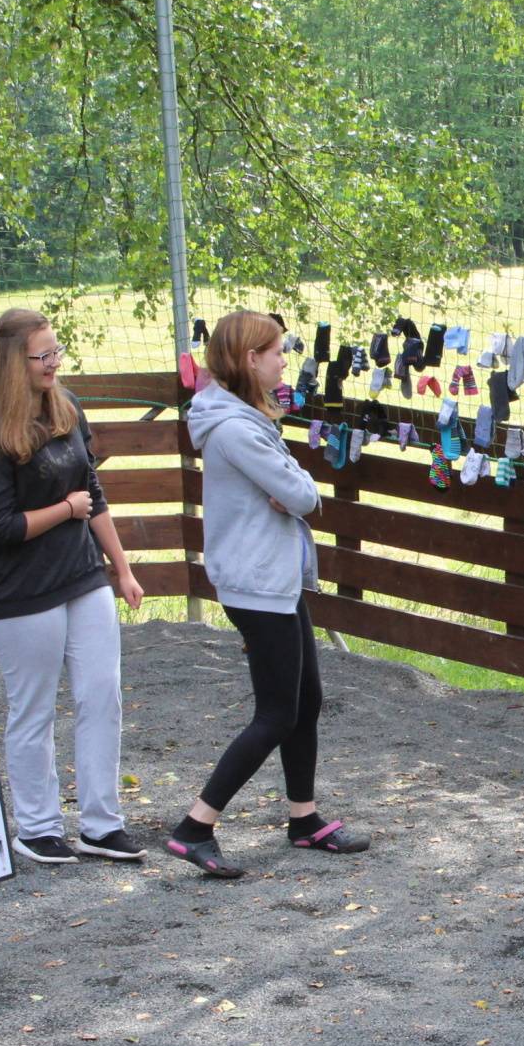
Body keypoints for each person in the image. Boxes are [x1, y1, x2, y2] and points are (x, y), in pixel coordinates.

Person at [170, 311, 367, 878]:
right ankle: (195, 827)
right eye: (276, 351)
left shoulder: (246, 418)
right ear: (250, 359)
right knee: (277, 714)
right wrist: (298, 491)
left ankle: (304, 819)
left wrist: (297, 490)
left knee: (306, 700)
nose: (284, 360)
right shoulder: (236, 430)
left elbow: (297, 490)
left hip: (275, 579)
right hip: (256, 584)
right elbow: (302, 496)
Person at [0, 308, 145, 865]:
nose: (54, 363)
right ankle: (37, 826)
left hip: (83, 575)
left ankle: (101, 824)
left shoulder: (66, 406)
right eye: (42, 355)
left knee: (102, 696)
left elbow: (94, 493)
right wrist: (64, 509)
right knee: (34, 708)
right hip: (22, 590)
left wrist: (122, 568)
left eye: (56, 351)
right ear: (11, 362)